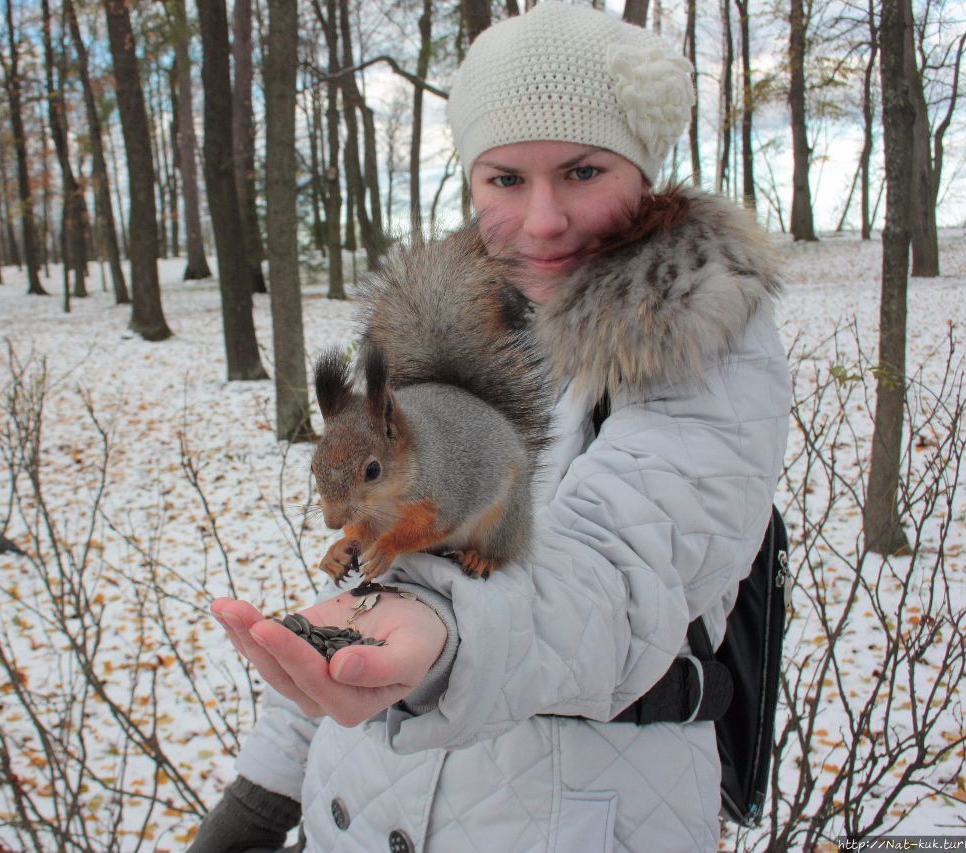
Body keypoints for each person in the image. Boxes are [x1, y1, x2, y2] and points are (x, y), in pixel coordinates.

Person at [195, 2, 790, 850]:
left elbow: (623, 563)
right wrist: (266, 786)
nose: (542, 219)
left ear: (644, 172)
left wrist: (446, 628)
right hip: (359, 806)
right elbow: (368, 581)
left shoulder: (703, 335)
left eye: (583, 171)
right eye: (505, 179)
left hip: (580, 816)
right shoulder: (438, 339)